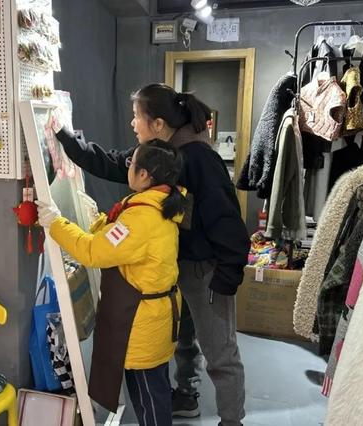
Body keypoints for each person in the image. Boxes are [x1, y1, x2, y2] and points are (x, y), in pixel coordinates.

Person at [51, 83, 250, 426]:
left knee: (220, 351)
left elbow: (227, 220)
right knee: (183, 338)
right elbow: (112, 162)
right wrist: (66, 139)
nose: (132, 123)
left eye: (136, 116)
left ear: (158, 124)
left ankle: (232, 421)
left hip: (207, 270)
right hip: (173, 266)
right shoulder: (156, 154)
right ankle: (186, 395)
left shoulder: (199, 158)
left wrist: (228, 274)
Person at [36, 140, 186, 426]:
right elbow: (117, 242)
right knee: (151, 393)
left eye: (131, 163)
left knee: (149, 398)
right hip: (151, 317)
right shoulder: (153, 206)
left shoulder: (142, 218)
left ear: (144, 175)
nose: (127, 167)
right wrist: (98, 221)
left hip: (141, 321)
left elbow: (93, 252)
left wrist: (55, 223)